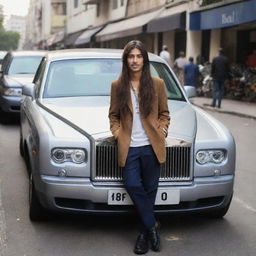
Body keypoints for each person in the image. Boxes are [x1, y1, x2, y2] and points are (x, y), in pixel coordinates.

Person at [109, 40, 170, 254]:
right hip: (131, 147)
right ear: (125, 60)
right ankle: (153, 226)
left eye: (138, 56)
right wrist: (118, 134)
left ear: (144, 59)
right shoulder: (118, 86)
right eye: (131, 56)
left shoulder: (157, 83)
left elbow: (164, 113)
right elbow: (113, 116)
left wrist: (162, 130)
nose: (134, 60)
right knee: (133, 184)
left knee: (151, 190)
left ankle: (143, 235)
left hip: (152, 146)